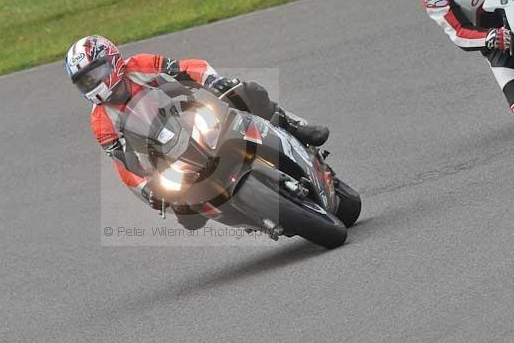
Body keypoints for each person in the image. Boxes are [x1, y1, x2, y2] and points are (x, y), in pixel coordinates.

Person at [65, 34, 329, 227]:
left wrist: (215, 81)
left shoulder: (139, 66)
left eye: (94, 74)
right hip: (167, 156)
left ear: (111, 60)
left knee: (249, 93)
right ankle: (251, 217)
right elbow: (122, 164)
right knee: (188, 217)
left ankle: (294, 126)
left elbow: (186, 68)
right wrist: (147, 189)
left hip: (191, 116)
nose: (92, 84)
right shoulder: (100, 120)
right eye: (84, 82)